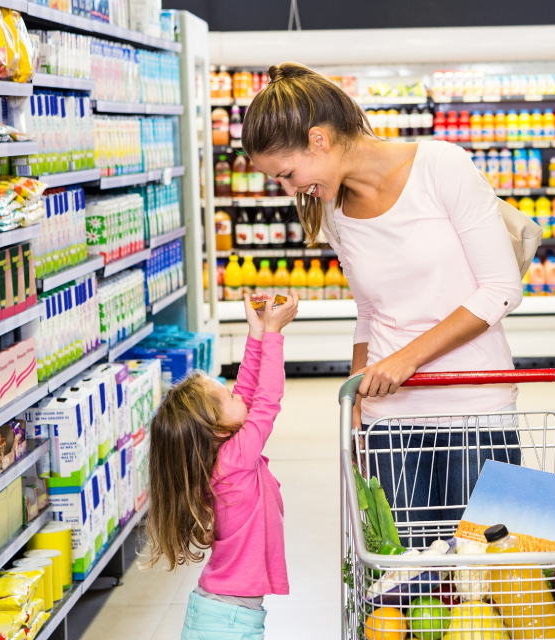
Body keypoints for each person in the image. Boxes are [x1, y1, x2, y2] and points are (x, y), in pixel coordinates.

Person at [242, 63, 524, 537]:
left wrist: (405, 361)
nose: (291, 191)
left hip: (475, 406)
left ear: (319, 140)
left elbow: (500, 289)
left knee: (485, 580)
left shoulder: (441, 167)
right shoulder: (333, 212)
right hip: (388, 419)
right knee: (407, 583)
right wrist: (357, 392)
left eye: (288, 175)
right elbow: (370, 311)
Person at [144, 293, 299, 640]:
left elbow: (246, 390)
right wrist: (273, 335)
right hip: (227, 623)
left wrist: (256, 332)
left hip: (220, 614)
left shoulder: (220, 457)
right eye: (227, 395)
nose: (237, 393)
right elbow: (266, 401)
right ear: (215, 428)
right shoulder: (233, 462)